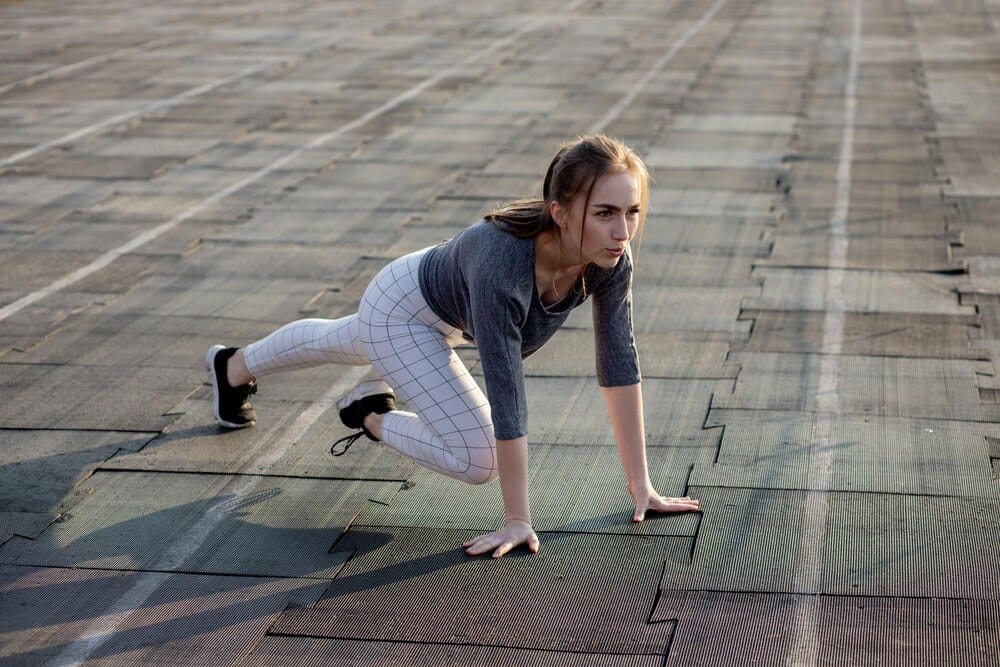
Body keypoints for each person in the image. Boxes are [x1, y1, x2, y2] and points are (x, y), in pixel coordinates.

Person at [205, 134, 700, 559]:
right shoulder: (504, 264)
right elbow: (506, 389)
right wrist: (517, 519)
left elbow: (618, 362)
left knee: (341, 339)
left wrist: (643, 488)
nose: (622, 231)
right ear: (561, 213)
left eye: (632, 213)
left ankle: (232, 366)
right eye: (606, 213)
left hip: (435, 306)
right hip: (402, 306)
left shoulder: (610, 257)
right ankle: (370, 414)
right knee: (478, 456)